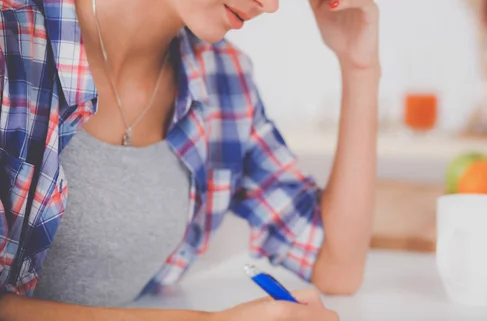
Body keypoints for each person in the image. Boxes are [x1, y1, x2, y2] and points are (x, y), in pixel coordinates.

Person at [0, 0, 380, 319]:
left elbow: (336, 267)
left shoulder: (221, 79)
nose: (271, 5)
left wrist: (359, 67)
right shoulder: (10, 39)